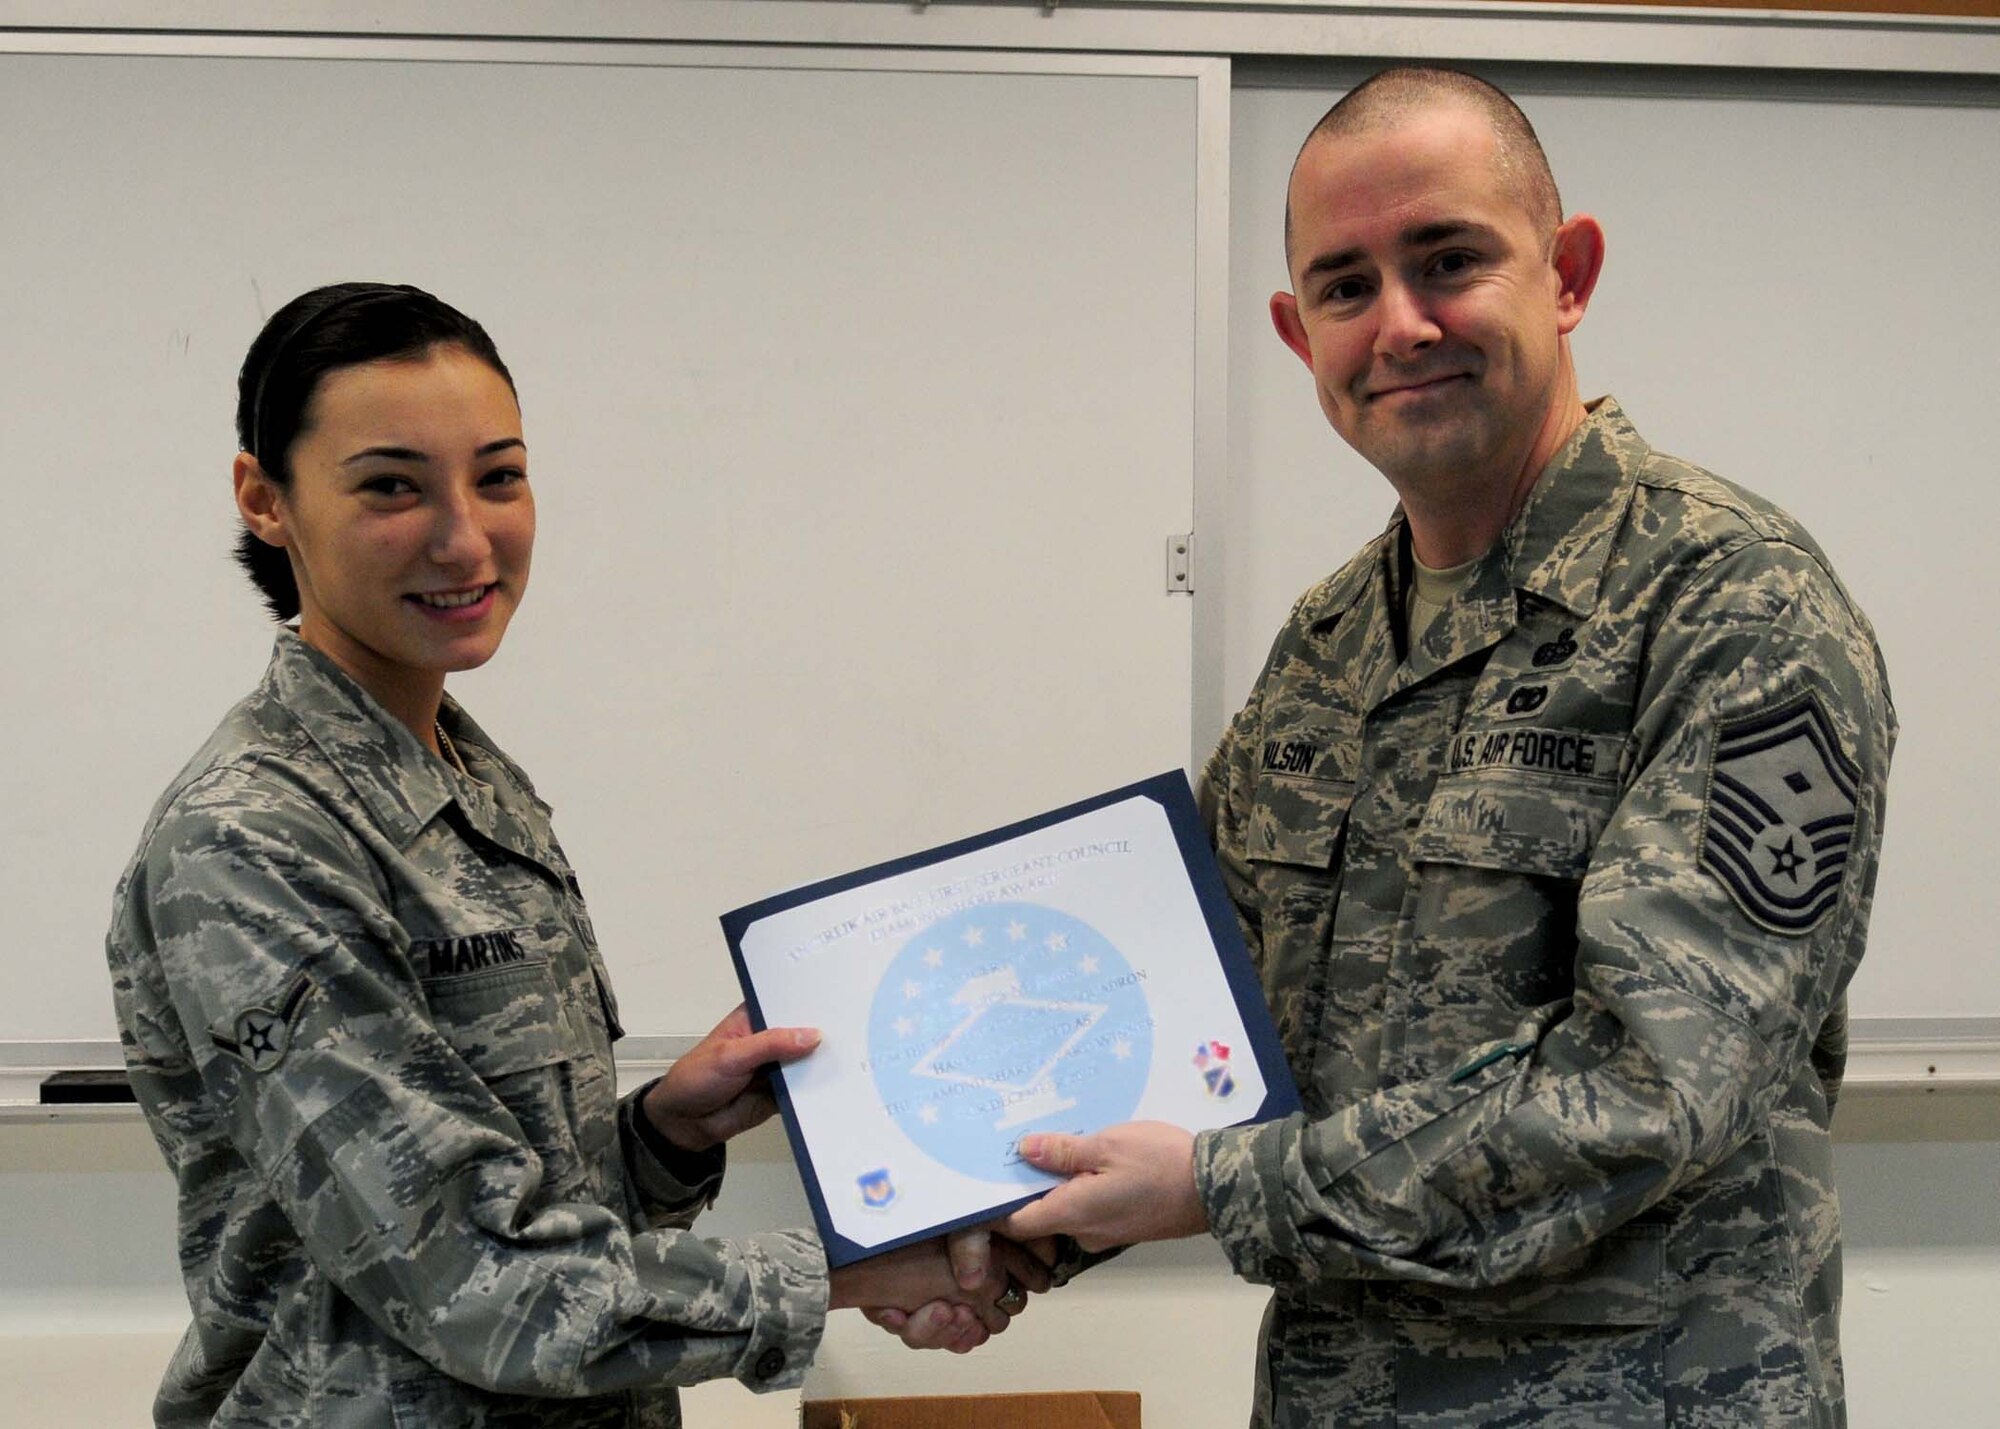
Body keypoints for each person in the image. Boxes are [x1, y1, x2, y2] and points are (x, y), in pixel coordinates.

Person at [986, 68, 1896, 1427]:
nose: (1400, 325)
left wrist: (1221, 1187)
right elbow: (1197, 1018)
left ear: (1568, 271)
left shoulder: (1733, 604)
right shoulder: (1333, 638)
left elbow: (1652, 1090)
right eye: (1346, 287)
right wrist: (1008, 1225)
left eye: (1448, 260)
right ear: (1301, 339)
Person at [105, 281, 1046, 1428]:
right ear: (265, 499)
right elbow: (467, 1280)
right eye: (392, 486)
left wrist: (664, 1133)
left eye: (498, 476)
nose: (465, 535)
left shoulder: (470, 777)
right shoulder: (252, 837)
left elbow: (514, 1185)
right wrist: (851, 1273)